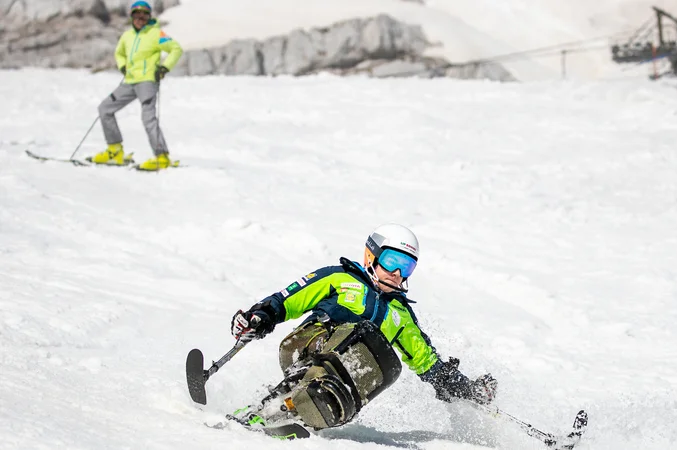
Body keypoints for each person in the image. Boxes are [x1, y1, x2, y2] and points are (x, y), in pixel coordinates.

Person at [229, 223, 498, 432]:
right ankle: (267, 408)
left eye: (407, 267)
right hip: (307, 346)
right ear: (372, 255)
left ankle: (307, 413)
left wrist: (465, 389)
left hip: (345, 381)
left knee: (389, 363)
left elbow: (427, 362)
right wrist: (259, 317)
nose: (398, 273)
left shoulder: (400, 314)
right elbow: (288, 300)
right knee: (362, 333)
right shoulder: (340, 278)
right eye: (393, 262)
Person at [88, 1, 183, 171]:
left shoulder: (156, 34)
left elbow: (175, 49)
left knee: (148, 120)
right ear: (131, 16)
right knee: (105, 109)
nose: (140, 18)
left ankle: (162, 157)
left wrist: (164, 68)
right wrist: (123, 66)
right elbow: (119, 53)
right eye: (136, 14)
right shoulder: (127, 36)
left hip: (147, 82)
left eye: (144, 14)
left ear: (149, 16)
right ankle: (115, 151)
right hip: (130, 81)